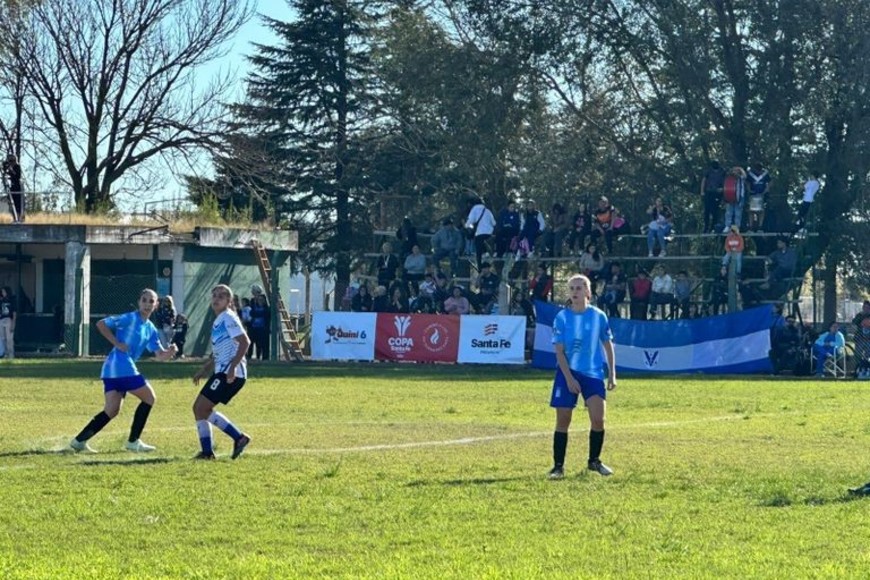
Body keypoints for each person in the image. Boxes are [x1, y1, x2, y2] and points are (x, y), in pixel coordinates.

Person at [68, 288, 177, 454]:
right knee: (149, 397)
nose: (147, 304)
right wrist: (116, 343)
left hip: (111, 370)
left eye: (151, 301)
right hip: (120, 366)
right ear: (139, 302)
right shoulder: (129, 318)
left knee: (111, 410)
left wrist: (170, 352)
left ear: (156, 306)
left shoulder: (150, 329)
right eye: (144, 300)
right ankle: (133, 441)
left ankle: (79, 441)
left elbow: (159, 355)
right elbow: (101, 324)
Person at [547, 274, 617, 480]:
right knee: (563, 420)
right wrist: (569, 379)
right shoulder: (562, 318)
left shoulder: (599, 316)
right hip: (567, 373)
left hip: (593, 374)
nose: (575, 292)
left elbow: (608, 344)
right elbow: (559, 351)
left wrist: (612, 373)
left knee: (598, 419)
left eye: (579, 288)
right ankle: (558, 466)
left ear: (588, 291)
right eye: (572, 288)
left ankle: (594, 461)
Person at [191, 285, 252, 460]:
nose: (216, 299)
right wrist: (204, 369)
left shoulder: (228, 317)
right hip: (223, 371)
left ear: (229, 301)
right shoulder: (219, 320)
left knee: (201, 407)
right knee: (199, 409)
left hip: (230, 373)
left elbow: (244, 342)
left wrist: (232, 367)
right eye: (214, 296)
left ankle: (236, 439)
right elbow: (219, 351)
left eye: (221, 296)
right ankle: (208, 451)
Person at [465, 197, 496, 270]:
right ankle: (488, 265)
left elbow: (469, 222)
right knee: (487, 251)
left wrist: (467, 226)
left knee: (479, 253)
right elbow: (494, 223)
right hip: (489, 235)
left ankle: (480, 268)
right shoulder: (488, 211)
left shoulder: (474, 209)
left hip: (480, 234)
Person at [701, 160, 726, 233]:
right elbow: (704, 180)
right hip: (709, 192)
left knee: (715, 211)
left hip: (718, 193)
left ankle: (713, 227)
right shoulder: (708, 171)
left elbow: (725, 182)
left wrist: (723, 189)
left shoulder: (722, 171)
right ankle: (706, 227)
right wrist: (702, 191)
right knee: (707, 211)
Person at [746, 162, 771, 231]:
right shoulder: (751, 174)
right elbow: (747, 182)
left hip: (761, 194)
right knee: (751, 211)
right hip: (753, 194)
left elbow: (769, 182)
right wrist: (749, 190)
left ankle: (760, 226)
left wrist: (766, 190)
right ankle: (751, 227)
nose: (758, 171)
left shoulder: (765, 174)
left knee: (761, 211)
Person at [722, 166, 746, 233]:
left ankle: (736, 228)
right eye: (734, 171)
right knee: (728, 213)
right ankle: (727, 226)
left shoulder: (741, 178)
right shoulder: (729, 178)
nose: (734, 172)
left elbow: (744, 175)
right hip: (730, 198)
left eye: (736, 171)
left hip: (739, 198)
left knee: (737, 214)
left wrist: (740, 171)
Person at [248, 293, 270, 360]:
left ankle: (264, 358)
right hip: (254, 328)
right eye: (259, 300)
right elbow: (252, 313)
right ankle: (251, 356)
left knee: (263, 344)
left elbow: (264, 314)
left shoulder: (267, 309)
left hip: (263, 329)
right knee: (253, 343)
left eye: (261, 300)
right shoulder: (253, 307)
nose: (260, 301)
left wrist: (257, 314)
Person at [3, 153, 23, 223]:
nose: (11, 163)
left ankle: (19, 218)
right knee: (11, 202)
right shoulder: (11, 167)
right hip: (12, 186)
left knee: (18, 203)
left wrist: (11, 170)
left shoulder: (17, 167)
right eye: (9, 161)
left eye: (11, 161)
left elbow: (17, 176)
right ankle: (14, 218)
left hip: (17, 187)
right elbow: (6, 173)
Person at [0, 286, 15, 359]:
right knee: (3, 338)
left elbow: (14, 313)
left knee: (9, 338)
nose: (2, 293)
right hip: (1, 320)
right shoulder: (1, 300)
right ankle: (5, 354)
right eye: (2, 292)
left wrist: (13, 323)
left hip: (9, 319)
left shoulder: (12, 300)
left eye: (4, 291)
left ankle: (11, 355)